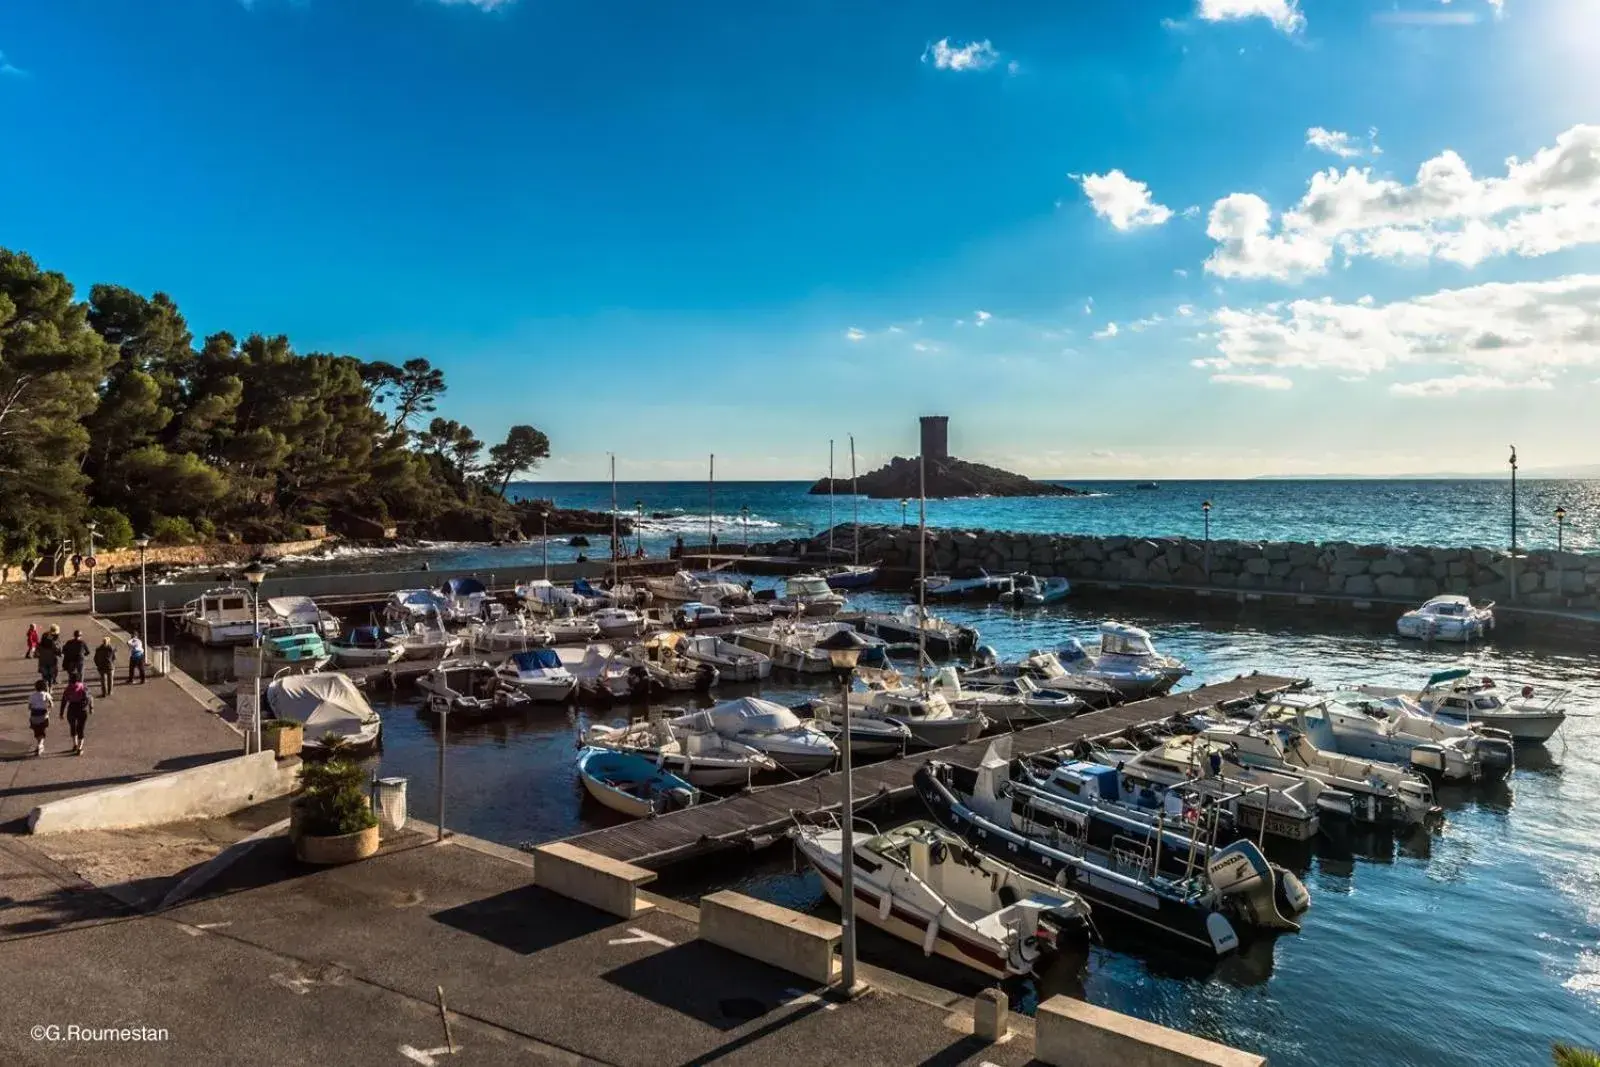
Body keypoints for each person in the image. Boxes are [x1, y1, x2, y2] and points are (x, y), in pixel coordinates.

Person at [59, 679, 93, 756]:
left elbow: (64, 701)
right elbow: (89, 698)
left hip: (71, 709)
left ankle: (75, 744)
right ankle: (80, 748)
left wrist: (61, 713)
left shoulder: (68, 688)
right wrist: (90, 708)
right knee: (80, 728)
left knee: (73, 727)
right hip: (82, 709)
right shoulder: (83, 687)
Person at [27, 680, 51, 757]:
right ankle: (40, 745)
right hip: (43, 715)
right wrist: (48, 709)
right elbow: (51, 704)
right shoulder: (46, 694)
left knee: (37, 731)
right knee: (42, 731)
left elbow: (29, 707)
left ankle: (39, 744)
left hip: (34, 715)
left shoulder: (32, 695)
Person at [36, 625, 61, 691]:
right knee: (51, 675)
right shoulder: (54, 639)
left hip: (43, 660)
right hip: (51, 660)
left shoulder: (45, 636)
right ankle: (50, 687)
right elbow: (57, 649)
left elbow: (40, 645)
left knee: (44, 676)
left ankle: (45, 688)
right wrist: (59, 653)